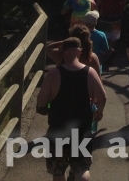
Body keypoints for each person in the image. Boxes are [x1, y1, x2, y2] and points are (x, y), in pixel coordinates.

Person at [36, 37, 107, 181]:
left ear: (63, 52)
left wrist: (45, 108)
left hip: (58, 129)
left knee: (58, 170)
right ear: (80, 52)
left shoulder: (53, 74)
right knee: (81, 167)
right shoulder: (90, 72)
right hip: (82, 130)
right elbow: (103, 96)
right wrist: (99, 112)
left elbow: (41, 102)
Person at [96, 0, 127, 67]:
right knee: (114, 36)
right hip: (117, 12)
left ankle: (104, 54)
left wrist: (96, 7)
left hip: (105, 11)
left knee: (104, 33)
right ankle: (111, 53)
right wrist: (122, 9)